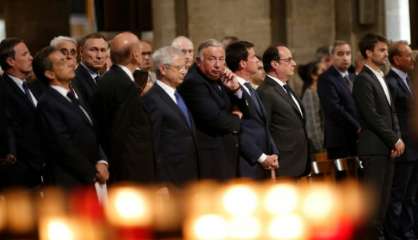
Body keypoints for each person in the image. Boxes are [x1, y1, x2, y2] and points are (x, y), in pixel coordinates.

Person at [353, 33, 405, 239]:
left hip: (386, 148)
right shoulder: (363, 79)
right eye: (381, 50)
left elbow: (391, 113)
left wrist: (396, 138)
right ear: (368, 52)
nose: (386, 54)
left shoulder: (380, 76)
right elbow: (371, 115)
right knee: (373, 209)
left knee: (383, 205)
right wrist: (394, 139)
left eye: (386, 50)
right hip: (373, 149)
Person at [33, 46, 108, 188]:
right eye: (62, 61)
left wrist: (102, 161)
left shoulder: (73, 96)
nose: (71, 63)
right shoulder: (48, 103)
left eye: (69, 59)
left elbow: (90, 133)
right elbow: (63, 146)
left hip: (89, 177)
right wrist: (93, 173)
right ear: (49, 74)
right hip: (69, 182)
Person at [92, 32, 155, 184]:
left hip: (121, 167)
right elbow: (121, 133)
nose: (144, 56)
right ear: (134, 55)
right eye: (141, 51)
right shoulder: (125, 86)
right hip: (131, 170)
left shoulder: (108, 79)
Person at [178, 39, 242, 180]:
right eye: (212, 59)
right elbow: (216, 120)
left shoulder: (221, 79)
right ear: (199, 61)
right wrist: (237, 118)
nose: (218, 65)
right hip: (210, 159)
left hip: (226, 155)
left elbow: (246, 109)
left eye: (221, 59)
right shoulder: (193, 82)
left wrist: (236, 89)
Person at [143, 46, 199, 185]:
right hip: (171, 177)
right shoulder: (152, 99)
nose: (184, 72)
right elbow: (154, 145)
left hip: (189, 172)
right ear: (163, 69)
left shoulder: (177, 94)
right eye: (179, 67)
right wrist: (161, 183)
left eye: (185, 67)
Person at [226, 41, 279, 180]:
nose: (257, 60)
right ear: (243, 63)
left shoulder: (250, 88)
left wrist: (273, 154)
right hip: (248, 164)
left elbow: (262, 125)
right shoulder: (232, 89)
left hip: (264, 163)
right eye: (253, 57)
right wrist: (261, 158)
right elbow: (239, 130)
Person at [257, 44, 310, 178]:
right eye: (288, 60)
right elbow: (264, 130)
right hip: (283, 164)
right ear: (274, 64)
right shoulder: (266, 92)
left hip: (299, 162)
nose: (294, 63)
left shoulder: (285, 87)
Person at [384, 41, 418, 240]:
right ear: (396, 59)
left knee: (411, 196)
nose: (411, 58)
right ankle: (396, 234)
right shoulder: (391, 82)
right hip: (404, 147)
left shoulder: (409, 81)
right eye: (407, 55)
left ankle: (409, 231)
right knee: (399, 195)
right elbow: (393, 116)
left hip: (415, 147)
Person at [0, 38, 44, 189]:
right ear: (11, 61)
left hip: (43, 171)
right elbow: (9, 129)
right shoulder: (3, 90)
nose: (31, 57)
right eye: (25, 54)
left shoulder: (33, 86)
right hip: (22, 176)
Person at [317, 41, 361, 162]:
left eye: (348, 53)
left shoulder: (354, 77)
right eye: (340, 54)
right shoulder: (326, 78)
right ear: (331, 57)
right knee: (344, 180)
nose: (345, 57)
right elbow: (334, 108)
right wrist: (357, 127)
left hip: (358, 138)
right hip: (340, 139)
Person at [72, 33, 109, 111]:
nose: (99, 56)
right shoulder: (73, 80)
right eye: (93, 50)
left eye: (103, 50)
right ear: (81, 52)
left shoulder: (105, 79)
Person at [300, 60, 325, 155]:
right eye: (322, 70)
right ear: (313, 75)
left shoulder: (321, 91)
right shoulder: (310, 93)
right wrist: (320, 146)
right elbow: (312, 124)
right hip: (319, 148)